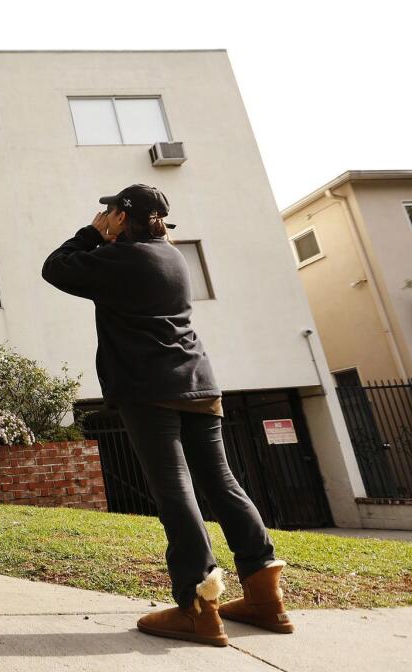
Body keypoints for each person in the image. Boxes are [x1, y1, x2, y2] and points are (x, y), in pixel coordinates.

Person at [41, 184, 294, 647]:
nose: (104, 218)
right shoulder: (173, 257)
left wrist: (90, 234)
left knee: (175, 492)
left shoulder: (121, 258)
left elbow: (54, 269)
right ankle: (265, 598)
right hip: (198, 382)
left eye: (109, 212)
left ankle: (198, 610)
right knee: (222, 483)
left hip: (150, 389)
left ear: (121, 216)